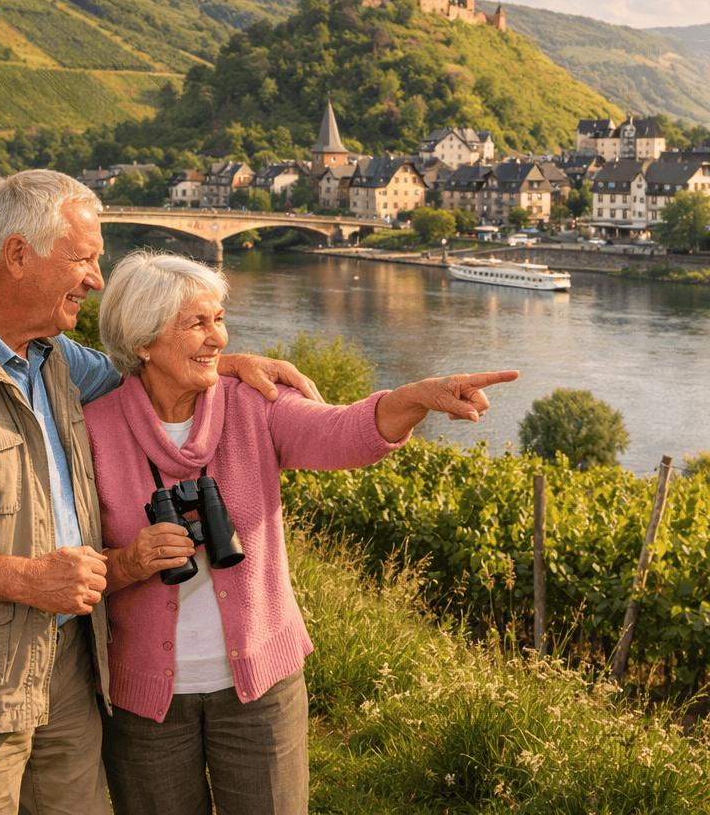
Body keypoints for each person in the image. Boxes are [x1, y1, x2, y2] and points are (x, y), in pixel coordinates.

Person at [0, 170, 320, 815]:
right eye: (84, 259)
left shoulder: (56, 357)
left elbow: (140, 369)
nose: (96, 278)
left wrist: (223, 361)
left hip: (67, 665)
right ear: (17, 256)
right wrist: (26, 580)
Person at [84, 250, 519, 815]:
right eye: (196, 323)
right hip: (145, 701)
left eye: (219, 319)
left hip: (261, 687)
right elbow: (68, 559)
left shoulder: (251, 404)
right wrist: (129, 561)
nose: (217, 337)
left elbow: (340, 433)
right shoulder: (93, 429)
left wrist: (410, 400)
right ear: (143, 341)